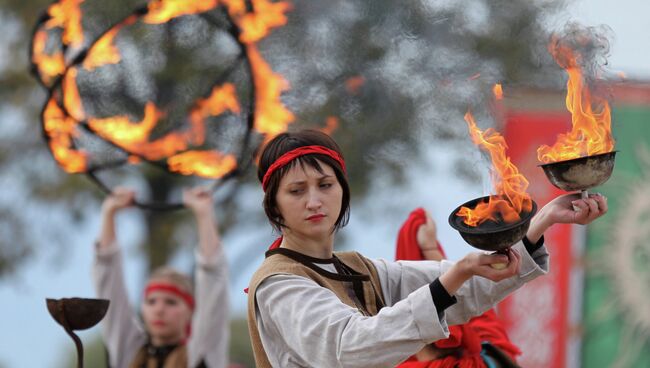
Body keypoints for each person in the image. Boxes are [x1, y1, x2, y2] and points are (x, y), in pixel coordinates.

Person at [246, 129, 607, 368]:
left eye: (325, 185)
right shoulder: (279, 284)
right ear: (274, 206)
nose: (314, 201)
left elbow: (467, 288)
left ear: (342, 190)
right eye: (296, 191)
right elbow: (348, 347)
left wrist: (544, 219)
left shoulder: (361, 269)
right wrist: (456, 275)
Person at [93, 186, 229, 368]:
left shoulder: (201, 355)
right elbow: (108, 279)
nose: (159, 310)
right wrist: (109, 212)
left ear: (190, 310)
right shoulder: (128, 351)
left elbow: (213, 277)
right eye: (151, 301)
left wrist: (204, 214)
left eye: (171, 302)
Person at [396, 208, 522, 368]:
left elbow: (470, 305)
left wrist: (429, 249)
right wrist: (431, 249)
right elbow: (474, 307)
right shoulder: (492, 358)